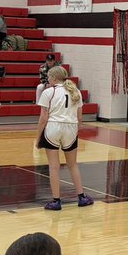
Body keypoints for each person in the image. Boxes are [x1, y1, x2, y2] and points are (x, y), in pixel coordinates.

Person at [37, 66, 93, 211]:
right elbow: (80, 117)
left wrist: (38, 138)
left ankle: (56, 201)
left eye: (49, 77)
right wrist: (75, 131)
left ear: (54, 78)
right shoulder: (76, 91)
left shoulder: (48, 92)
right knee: (72, 164)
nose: (47, 79)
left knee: (54, 166)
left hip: (53, 127)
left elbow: (43, 118)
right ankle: (81, 197)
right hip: (71, 127)